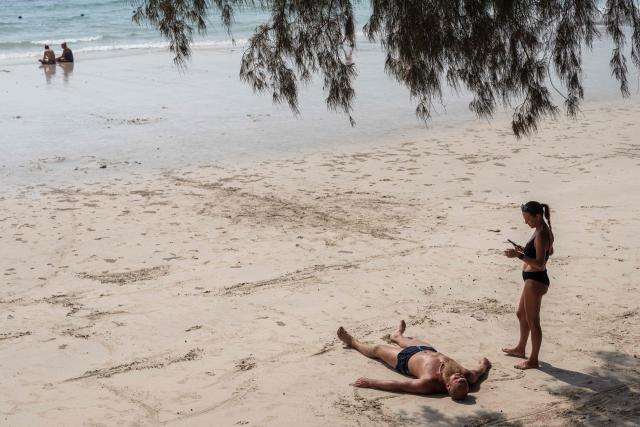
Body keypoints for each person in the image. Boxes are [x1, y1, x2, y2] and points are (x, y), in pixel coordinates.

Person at [337, 321, 491, 400]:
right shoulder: (468, 375)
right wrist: (484, 364)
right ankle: (396, 335)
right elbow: (480, 370)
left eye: (458, 381)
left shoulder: (429, 383)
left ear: (449, 387)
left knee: (377, 349)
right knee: (400, 339)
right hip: (427, 350)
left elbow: (401, 385)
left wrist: (371, 382)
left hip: (405, 359)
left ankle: (352, 341)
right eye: (463, 380)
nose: (460, 377)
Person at [502, 201, 554, 370]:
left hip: (536, 280)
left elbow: (539, 263)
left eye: (528, 219)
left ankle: (533, 360)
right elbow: (548, 251)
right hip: (532, 279)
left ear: (538, 216)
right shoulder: (541, 230)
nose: (526, 222)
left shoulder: (541, 234)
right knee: (520, 314)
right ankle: (520, 348)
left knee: (533, 321)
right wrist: (525, 250)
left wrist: (518, 255)